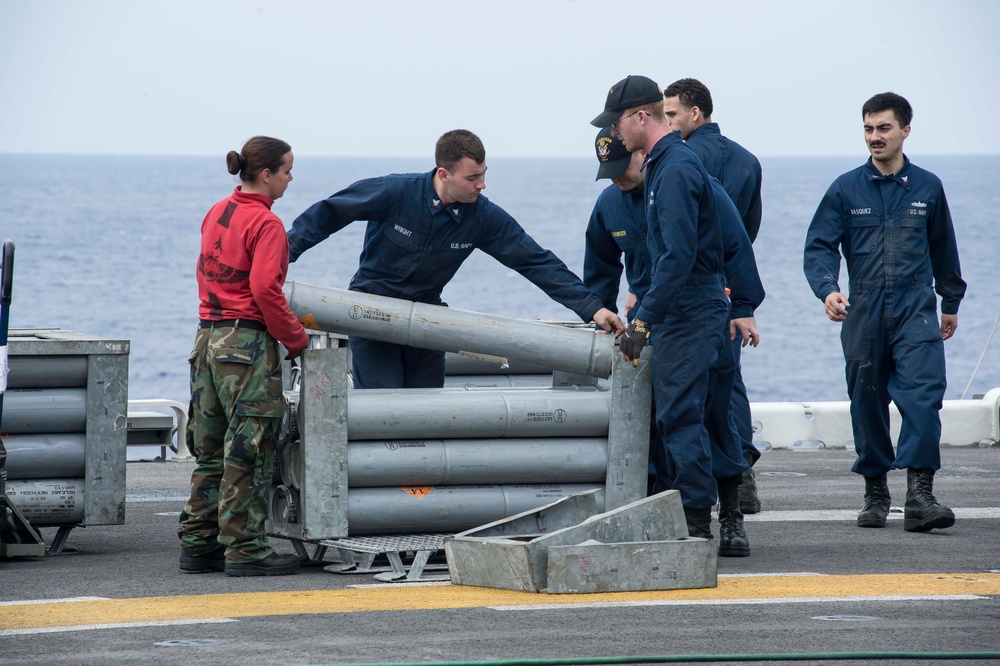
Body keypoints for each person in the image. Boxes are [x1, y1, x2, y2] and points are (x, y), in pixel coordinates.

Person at [287, 129, 625, 389]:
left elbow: (535, 262)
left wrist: (592, 308)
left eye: (483, 174)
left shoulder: (484, 217)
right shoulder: (395, 192)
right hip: (373, 312)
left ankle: (422, 483)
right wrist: (283, 256)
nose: (483, 184)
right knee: (383, 408)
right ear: (444, 174)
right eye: (472, 178)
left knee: (427, 414)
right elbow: (330, 213)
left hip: (427, 318)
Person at [803, 92, 966, 533]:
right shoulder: (844, 188)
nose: (874, 137)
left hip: (916, 308)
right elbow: (819, 245)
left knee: (923, 396)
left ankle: (920, 496)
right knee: (867, 398)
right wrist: (827, 290)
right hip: (864, 308)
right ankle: (876, 491)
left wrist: (950, 301)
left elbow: (943, 248)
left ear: (905, 131)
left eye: (884, 128)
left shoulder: (928, 187)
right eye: (868, 129)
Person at [592, 75, 745, 542]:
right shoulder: (663, 164)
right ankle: (692, 515)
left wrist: (643, 318)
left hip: (689, 310)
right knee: (677, 415)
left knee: (681, 415)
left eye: (617, 125)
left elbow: (678, 257)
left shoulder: (675, 167)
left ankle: (698, 524)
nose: (614, 135)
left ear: (641, 117)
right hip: (684, 308)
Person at [179, 136, 309, 577]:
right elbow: (264, 290)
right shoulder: (268, 225)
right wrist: (296, 339)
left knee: (211, 448)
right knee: (249, 449)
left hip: (206, 341)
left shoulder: (217, 210)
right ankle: (244, 548)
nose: (291, 179)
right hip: (246, 345)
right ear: (267, 174)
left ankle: (198, 543)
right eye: (288, 170)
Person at [663, 77, 765, 514]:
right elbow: (748, 231)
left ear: (695, 114)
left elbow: (674, 235)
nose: (667, 123)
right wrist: (738, 294)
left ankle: (696, 493)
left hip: (693, 287)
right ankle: (741, 479)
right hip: (728, 284)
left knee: (689, 393)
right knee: (730, 382)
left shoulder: (677, 161)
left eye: (671, 114)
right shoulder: (748, 161)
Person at [583, 126, 650, 322]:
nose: (617, 178)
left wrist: (742, 304)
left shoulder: (674, 184)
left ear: (640, 151)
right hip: (641, 317)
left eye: (621, 168)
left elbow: (731, 242)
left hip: (692, 316)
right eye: (610, 172)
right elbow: (600, 268)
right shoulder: (608, 203)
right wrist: (602, 318)